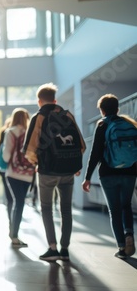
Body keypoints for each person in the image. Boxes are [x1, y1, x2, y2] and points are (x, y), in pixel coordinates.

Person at [23, 83, 85, 262]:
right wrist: (73, 163)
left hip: (47, 171)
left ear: (39, 101)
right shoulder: (67, 115)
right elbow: (81, 144)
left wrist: (37, 162)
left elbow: (30, 150)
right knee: (66, 209)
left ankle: (52, 248)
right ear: (55, 100)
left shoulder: (39, 116)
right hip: (68, 172)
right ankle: (65, 249)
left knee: (47, 208)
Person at [82, 94, 136, 259]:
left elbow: (95, 153)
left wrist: (88, 177)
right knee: (126, 205)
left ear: (102, 110)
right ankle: (129, 235)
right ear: (117, 108)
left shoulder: (102, 125)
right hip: (130, 171)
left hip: (108, 173)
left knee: (115, 209)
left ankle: (121, 247)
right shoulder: (130, 124)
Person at [2, 108, 34, 247]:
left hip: (13, 173)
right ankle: (14, 234)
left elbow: (6, 155)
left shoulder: (10, 131)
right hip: (28, 174)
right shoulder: (31, 132)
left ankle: (14, 235)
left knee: (17, 202)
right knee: (21, 202)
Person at [0, 117, 13, 227]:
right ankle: (12, 219)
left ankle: (10, 219)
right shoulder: (12, 132)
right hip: (13, 166)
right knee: (14, 195)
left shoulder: (3, 132)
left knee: (8, 194)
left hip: (3, 167)